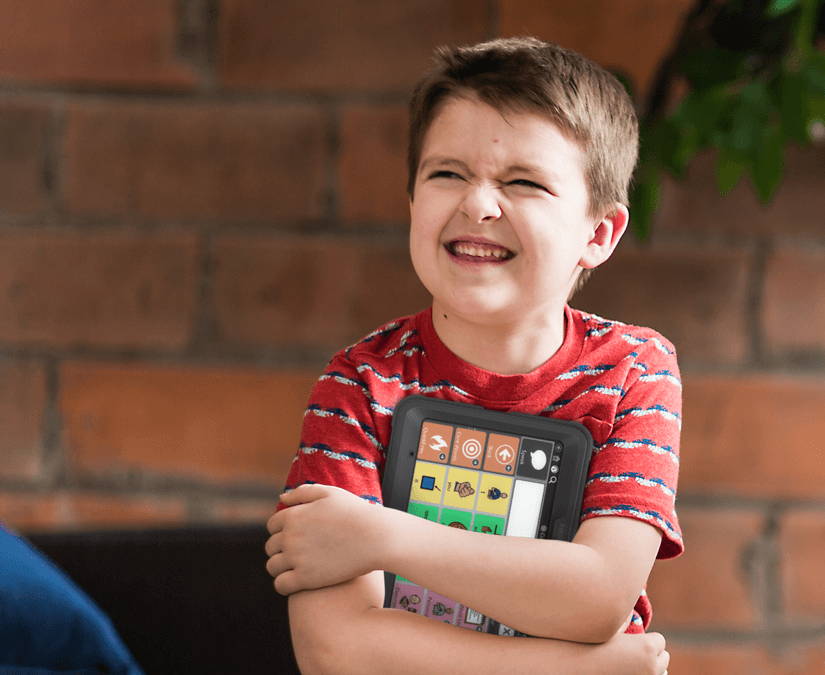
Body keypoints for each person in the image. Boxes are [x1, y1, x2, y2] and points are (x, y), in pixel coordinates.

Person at [265, 36, 681, 675]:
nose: (478, 204)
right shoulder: (359, 382)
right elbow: (337, 652)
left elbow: (598, 594)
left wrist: (381, 536)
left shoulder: (634, 370)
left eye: (524, 182)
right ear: (412, 201)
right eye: (447, 173)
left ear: (598, 234)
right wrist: (576, 669)